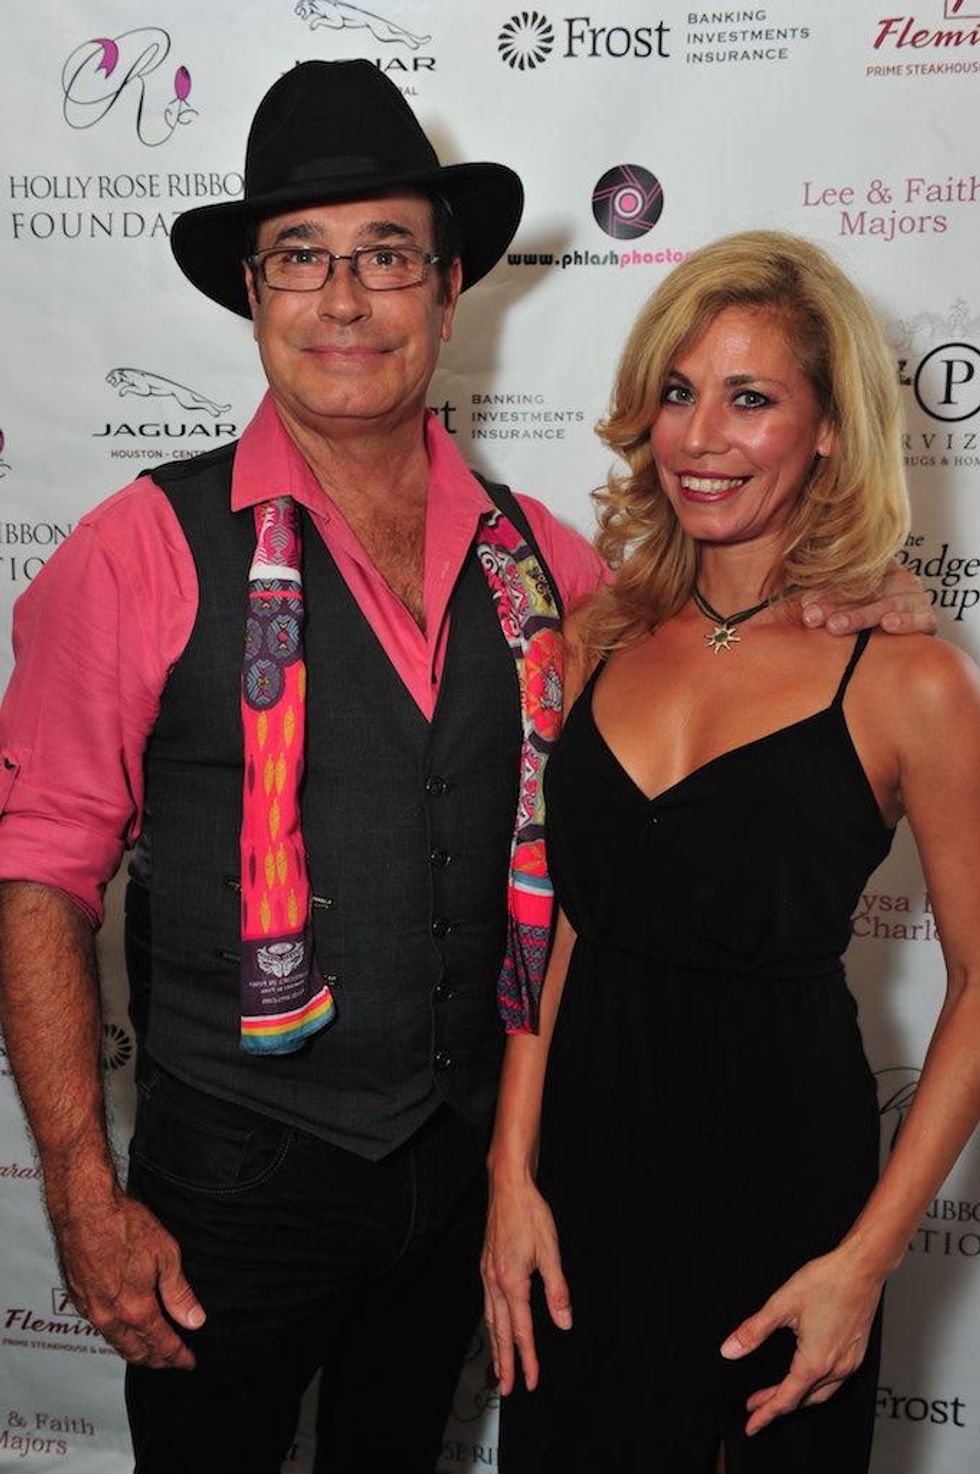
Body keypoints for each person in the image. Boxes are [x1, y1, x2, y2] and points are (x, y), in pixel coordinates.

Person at [0, 64, 930, 1474]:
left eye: (386, 254)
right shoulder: (133, 550)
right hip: (232, 1189)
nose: (345, 298)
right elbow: (38, 869)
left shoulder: (549, 565)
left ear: (447, 293)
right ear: (252, 294)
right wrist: (78, 1183)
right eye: (299, 258)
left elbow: (719, 634)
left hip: (471, 1181)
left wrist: (863, 596)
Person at [481, 231, 980, 1473]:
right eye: (677, 390)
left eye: (749, 398)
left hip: (780, 1198)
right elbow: (562, 925)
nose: (699, 436)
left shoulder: (904, 675)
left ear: (826, 427)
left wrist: (863, 1262)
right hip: (580, 1188)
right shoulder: (597, 635)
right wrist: (509, 1172)